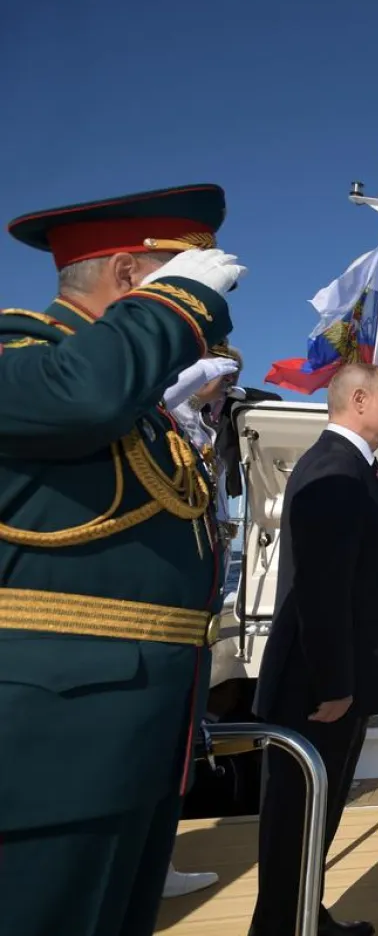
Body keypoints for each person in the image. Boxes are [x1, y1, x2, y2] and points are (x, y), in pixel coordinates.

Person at [0, 184, 245, 936]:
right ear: (136, 281)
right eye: (192, 281)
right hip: (51, 759)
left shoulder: (133, 408)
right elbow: (82, 396)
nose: (210, 313)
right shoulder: (22, 355)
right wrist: (178, 310)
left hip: (140, 750)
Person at [249, 362, 378, 936]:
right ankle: (283, 927)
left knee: (313, 823)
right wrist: (335, 684)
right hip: (318, 692)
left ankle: (306, 919)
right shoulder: (335, 471)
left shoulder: (347, 468)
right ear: (361, 400)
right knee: (296, 826)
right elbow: (321, 587)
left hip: (328, 687)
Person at [158, 344, 242, 900]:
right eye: (225, 371)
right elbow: (152, 398)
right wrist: (204, 371)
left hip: (195, 609)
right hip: (160, 610)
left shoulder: (207, 430)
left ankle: (157, 861)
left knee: (176, 739)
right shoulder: (161, 414)